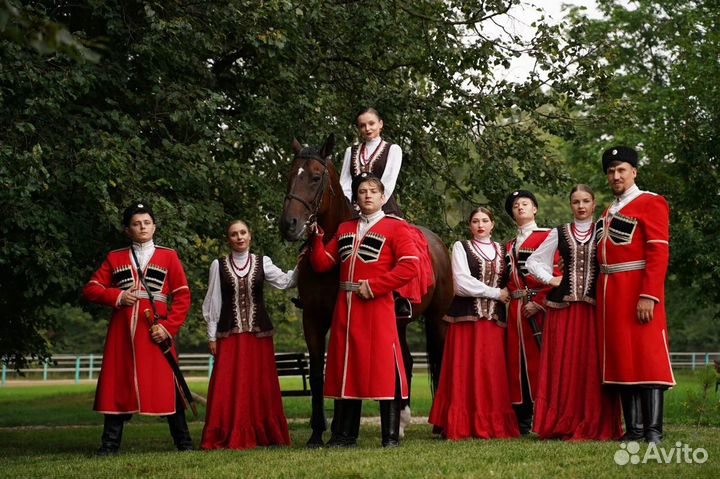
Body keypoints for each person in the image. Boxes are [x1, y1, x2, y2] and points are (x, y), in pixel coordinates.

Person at [309, 172, 419, 448]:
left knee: (385, 369)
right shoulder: (345, 228)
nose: (367, 195)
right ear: (356, 199)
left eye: (373, 190)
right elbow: (323, 264)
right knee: (346, 370)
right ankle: (344, 436)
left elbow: (410, 266)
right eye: (362, 191)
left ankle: (390, 437)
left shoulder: (397, 228)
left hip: (377, 307)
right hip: (346, 309)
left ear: (383, 197)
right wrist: (316, 239)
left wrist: (376, 286)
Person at [83, 202, 193, 455]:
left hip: (156, 333)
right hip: (122, 336)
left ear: (154, 226)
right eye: (136, 223)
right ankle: (109, 445)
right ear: (127, 230)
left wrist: (168, 327)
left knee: (168, 384)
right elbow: (91, 289)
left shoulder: (169, 256)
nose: (142, 227)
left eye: (146, 222)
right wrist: (118, 296)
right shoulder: (115, 257)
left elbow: (183, 296)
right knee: (117, 384)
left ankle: (184, 443)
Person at [526, 185, 623, 440]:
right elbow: (533, 261)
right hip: (563, 310)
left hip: (594, 308)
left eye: (586, 201)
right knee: (564, 365)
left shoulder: (604, 229)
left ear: (594, 204)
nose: (581, 206)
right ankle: (561, 422)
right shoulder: (559, 232)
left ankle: (594, 421)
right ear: (571, 205)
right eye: (576, 202)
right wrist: (550, 279)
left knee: (592, 365)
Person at [596, 146, 674, 444]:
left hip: (636, 289)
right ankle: (634, 429)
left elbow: (658, 251)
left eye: (621, 170)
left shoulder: (651, 202)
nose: (616, 176)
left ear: (634, 172)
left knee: (647, 356)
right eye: (611, 171)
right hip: (610, 294)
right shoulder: (608, 210)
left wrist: (649, 295)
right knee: (621, 359)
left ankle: (653, 430)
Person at [200, 220, 297, 450]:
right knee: (227, 384)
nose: (239, 237)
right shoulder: (218, 265)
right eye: (234, 234)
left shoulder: (263, 262)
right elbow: (213, 301)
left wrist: (303, 262)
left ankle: (264, 433)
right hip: (229, 335)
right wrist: (211, 336)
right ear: (228, 239)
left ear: (250, 236)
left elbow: (285, 282)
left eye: (243, 232)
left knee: (259, 384)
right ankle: (227, 432)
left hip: (258, 336)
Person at [428, 207, 519, 440]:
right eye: (475, 221)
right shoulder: (461, 247)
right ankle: (461, 423)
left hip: (494, 321)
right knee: (464, 372)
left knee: (491, 372)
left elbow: (513, 279)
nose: (480, 225)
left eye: (485, 220)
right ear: (470, 225)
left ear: (493, 224)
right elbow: (461, 284)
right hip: (466, 320)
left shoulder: (503, 249)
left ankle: (492, 422)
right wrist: (496, 293)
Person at [504, 190, 554, 435]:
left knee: (542, 363)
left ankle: (544, 416)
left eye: (525, 204)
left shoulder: (548, 236)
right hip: (514, 310)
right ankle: (522, 419)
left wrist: (541, 302)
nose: (520, 208)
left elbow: (557, 274)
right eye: (515, 205)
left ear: (535, 209)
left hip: (538, 309)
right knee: (517, 365)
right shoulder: (509, 245)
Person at [339, 107, 403, 217]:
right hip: (354, 211)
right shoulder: (350, 151)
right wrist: (346, 206)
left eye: (371, 123)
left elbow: (388, 182)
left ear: (380, 124)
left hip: (384, 209)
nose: (367, 128)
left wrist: (371, 208)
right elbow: (345, 184)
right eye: (362, 125)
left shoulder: (393, 150)